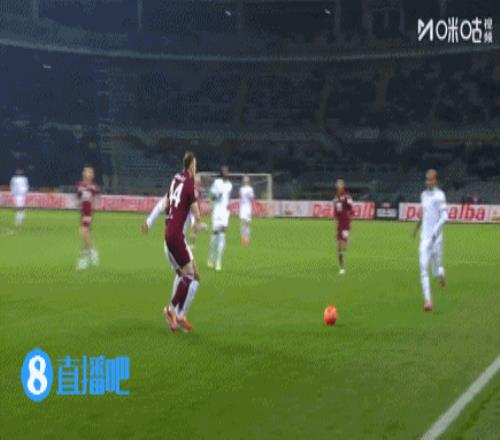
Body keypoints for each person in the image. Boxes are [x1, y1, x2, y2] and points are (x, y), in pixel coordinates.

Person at [142, 151, 202, 332]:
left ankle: (179, 315)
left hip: (169, 237)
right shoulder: (190, 185)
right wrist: (197, 222)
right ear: (191, 166)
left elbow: (165, 203)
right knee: (191, 276)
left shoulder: (176, 179)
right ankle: (173, 310)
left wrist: (148, 222)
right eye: (195, 165)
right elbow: (196, 213)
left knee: (185, 275)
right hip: (176, 238)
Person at [413, 169, 447, 311]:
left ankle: (441, 276)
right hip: (425, 238)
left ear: (436, 180)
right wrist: (416, 227)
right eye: (427, 179)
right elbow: (424, 214)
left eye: (431, 179)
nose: (428, 182)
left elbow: (444, 217)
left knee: (436, 271)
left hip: (436, 239)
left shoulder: (440, 195)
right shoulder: (423, 195)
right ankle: (428, 301)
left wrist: (435, 232)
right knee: (423, 268)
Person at [207, 166, 233, 271]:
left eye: (227, 171)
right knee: (215, 234)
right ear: (221, 173)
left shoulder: (230, 185)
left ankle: (218, 261)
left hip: (224, 212)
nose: (226, 173)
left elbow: (227, 198)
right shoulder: (217, 182)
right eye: (224, 171)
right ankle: (211, 255)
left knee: (222, 234)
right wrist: (217, 196)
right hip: (217, 210)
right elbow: (211, 195)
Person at [76, 166, 99, 270]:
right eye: (86, 172)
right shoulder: (80, 185)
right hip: (82, 213)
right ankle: (84, 261)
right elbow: (79, 198)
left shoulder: (93, 187)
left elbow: (95, 199)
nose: (88, 174)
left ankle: (93, 252)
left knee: (83, 233)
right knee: (85, 237)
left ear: (92, 175)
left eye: (90, 172)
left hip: (88, 213)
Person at [333, 179, 353, 275]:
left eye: (340, 184)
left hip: (345, 223)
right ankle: (342, 267)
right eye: (337, 184)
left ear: (343, 185)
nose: (339, 186)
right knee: (339, 247)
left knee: (344, 247)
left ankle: (347, 240)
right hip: (339, 224)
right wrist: (335, 219)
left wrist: (350, 219)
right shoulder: (336, 197)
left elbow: (351, 208)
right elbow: (335, 210)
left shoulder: (347, 196)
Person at [239, 175, 254, 246]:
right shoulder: (241, 189)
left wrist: (249, 195)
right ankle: (243, 237)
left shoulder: (250, 189)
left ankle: (247, 238)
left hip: (248, 208)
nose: (245, 180)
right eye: (244, 179)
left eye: (246, 179)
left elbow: (252, 198)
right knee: (242, 222)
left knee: (247, 224)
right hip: (242, 207)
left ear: (248, 180)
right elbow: (241, 198)